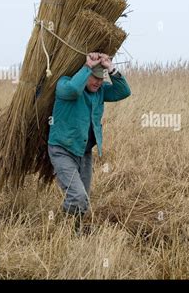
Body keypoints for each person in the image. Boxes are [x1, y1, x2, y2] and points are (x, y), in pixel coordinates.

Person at [47, 52, 131, 234]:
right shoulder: (64, 84)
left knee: (83, 200)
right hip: (62, 149)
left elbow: (124, 91)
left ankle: (74, 232)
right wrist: (88, 66)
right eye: (94, 77)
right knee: (77, 197)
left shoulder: (100, 91)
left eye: (101, 79)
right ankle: (60, 227)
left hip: (83, 152)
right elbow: (73, 90)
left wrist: (110, 68)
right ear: (84, 73)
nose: (98, 82)